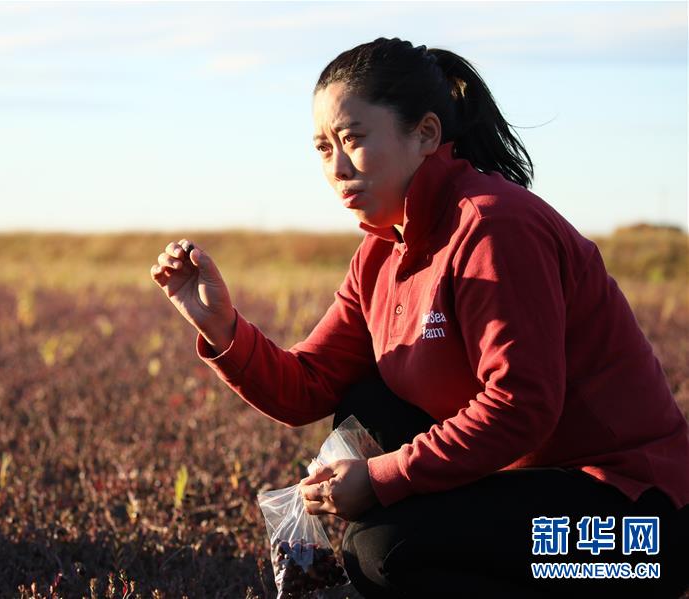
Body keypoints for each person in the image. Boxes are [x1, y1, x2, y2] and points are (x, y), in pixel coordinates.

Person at [149, 37, 689, 598]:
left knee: (388, 550)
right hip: (531, 491)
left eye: (353, 139)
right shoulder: (381, 254)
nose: (336, 166)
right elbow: (308, 387)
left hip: (633, 530)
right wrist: (220, 329)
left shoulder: (493, 227)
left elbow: (522, 405)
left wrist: (382, 479)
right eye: (321, 147)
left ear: (426, 134)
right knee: (368, 406)